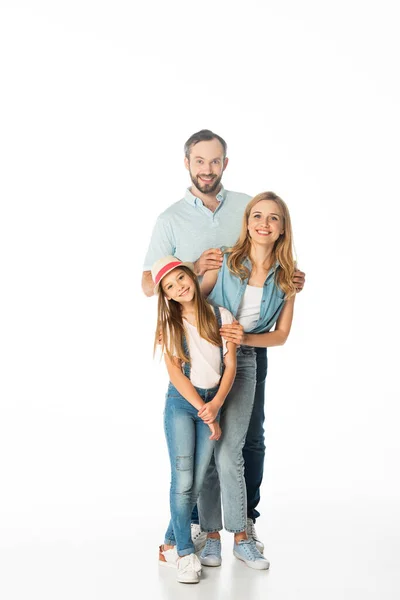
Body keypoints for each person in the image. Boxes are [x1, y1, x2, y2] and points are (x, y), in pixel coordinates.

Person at [142, 129, 305, 550]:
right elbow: (149, 284)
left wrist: (291, 277)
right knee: (202, 438)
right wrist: (192, 267)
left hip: (246, 345)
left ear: (225, 164)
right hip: (198, 341)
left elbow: (271, 251)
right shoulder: (171, 219)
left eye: (215, 161)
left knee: (248, 439)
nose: (207, 169)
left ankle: (245, 521)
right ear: (187, 163)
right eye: (200, 161)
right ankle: (199, 526)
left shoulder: (246, 206)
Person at [197, 191, 296, 569]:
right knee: (208, 447)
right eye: (257, 215)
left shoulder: (288, 277)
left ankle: (241, 535)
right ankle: (208, 537)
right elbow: (192, 301)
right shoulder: (225, 258)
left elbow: (282, 334)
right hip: (208, 355)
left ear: (283, 227)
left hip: (248, 359)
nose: (263, 224)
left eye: (273, 218)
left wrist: (244, 340)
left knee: (233, 450)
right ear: (247, 221)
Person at [152, 255, 237, 584]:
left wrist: (215, 404)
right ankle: (185, 554)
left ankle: (169, 543)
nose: (179, 287)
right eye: (170, 287)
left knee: (197, 481)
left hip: (211, 401)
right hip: (182, 405)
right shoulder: (170, 325)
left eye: (180, 278)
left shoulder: (221, 316)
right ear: (167, 296)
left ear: (190, 275)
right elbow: (176, 373)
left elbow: (229, 367)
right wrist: (205, 411)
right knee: (183, 478)